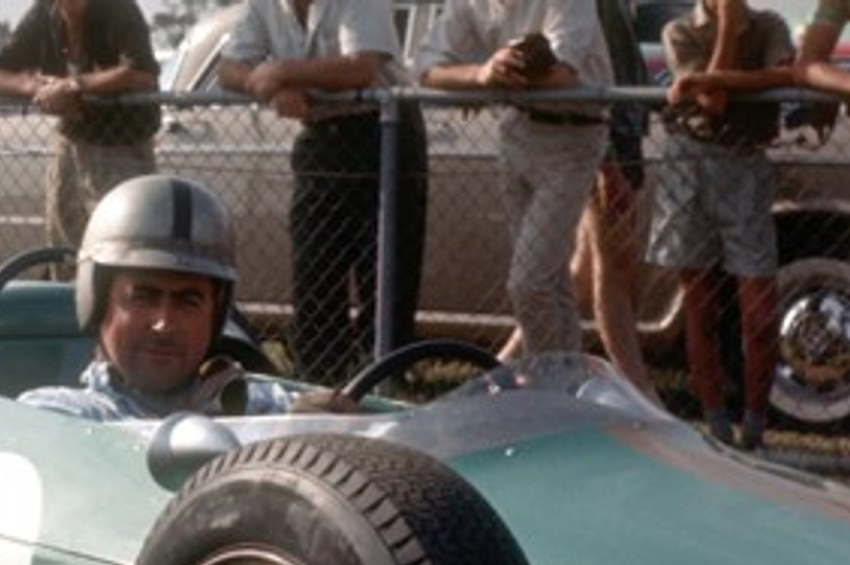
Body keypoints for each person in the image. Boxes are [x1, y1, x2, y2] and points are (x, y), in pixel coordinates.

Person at [19, 175, 353, 420]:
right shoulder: (58, 416)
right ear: (97, 302)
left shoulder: (264, 407)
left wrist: (312, 430)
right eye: (144, 297)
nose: (164, 324)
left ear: (216, 315)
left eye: (188, 301)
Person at [218, 0, 427, 387]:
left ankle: (383, 378)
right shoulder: (264, 6)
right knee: (314, 261)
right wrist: (265, 87)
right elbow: (228, 66)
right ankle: (318, 379)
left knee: (384, 266)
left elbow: (360, 67)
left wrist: (280, 73)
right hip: (321, 132)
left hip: (383, 130)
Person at [417, 0, 613, 358]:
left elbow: (564, 71)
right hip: (516, 131)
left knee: (528, 283)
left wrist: (503, 74)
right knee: (550, 282)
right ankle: (565, 384)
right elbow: (426, 69)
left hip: (573, 136)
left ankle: (545, 383)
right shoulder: (469, 4)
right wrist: (481, 74)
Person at [495, 0, 660, 403]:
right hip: (600, 135)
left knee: (577, 269)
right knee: (605, 265)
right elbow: (588, 75)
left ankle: (512, 368)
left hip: (610, 131)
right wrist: (611, 162)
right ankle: (635, 388)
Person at [645, 0, 793, 450]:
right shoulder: (681, 31)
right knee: (700, 304)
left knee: (760, 314)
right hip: (689, 163)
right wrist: (726, 31)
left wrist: (711, 77)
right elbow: (712, 103)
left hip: (745, 163)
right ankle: (715, 422)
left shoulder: (768, 26)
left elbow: (785, 76)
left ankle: (755, 423)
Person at [0, 0, 161, 251]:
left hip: (122, 146)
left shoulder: (119, 9)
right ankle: (66, 289)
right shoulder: (44, 13)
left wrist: (74, 85)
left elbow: (142, 74)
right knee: (64, 241)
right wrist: (37, 89)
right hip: (71, 139)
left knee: (124, 242)